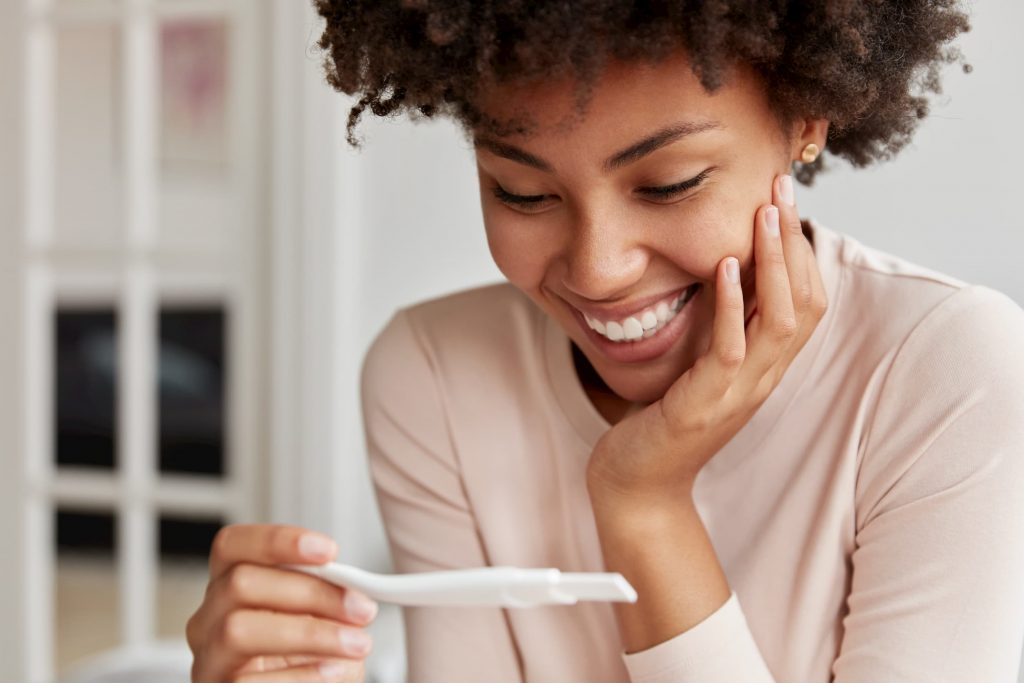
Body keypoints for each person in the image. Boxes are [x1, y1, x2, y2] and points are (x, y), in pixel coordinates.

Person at [187, 2, 1024, 681]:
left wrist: (646, 504)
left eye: (669, 184)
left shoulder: (947, 371)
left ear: (807, 120)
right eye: (520, 192)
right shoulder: (435, 375)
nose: (598, 270)